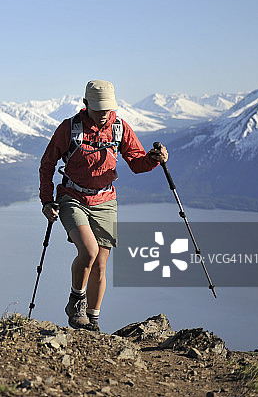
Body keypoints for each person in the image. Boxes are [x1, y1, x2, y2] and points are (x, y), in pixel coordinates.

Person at [39, 80, 168, 331]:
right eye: (98, 109)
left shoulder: (120, 128)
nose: (103, 114)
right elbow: (47, 165)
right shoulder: (69, 128)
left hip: (105, 200)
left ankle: (93, 321)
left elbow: (137, 163)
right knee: (88, 251)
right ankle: (76, 302)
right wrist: (47, 201)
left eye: (107, 109)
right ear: (86, 104)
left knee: (100, 264)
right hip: (72, 197)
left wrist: (155, 159)